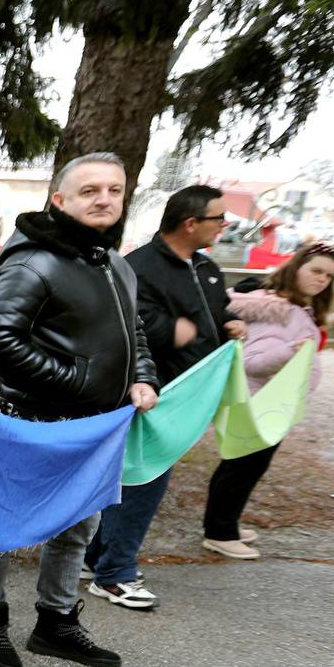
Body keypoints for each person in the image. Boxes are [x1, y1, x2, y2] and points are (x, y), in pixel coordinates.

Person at [0, 152, 160, 667]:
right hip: (28, 419)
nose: (104, 199)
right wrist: (78, 381)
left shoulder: (115, 264)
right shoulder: (34, 260)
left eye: (114, 190)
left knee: (77, 528)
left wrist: (143, 376)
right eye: (89, 190)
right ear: (60, 200)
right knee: (2, 525)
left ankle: (55, 622)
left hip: (94, 428)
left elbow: (133, 333)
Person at [85, 185, 246, 608]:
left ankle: (94, 556)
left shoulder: (208, 267)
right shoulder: (137, 266)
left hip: (189, 394)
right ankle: (114, 574)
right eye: (219, 218)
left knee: (136, 475)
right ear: (191, 223)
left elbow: (215, 310)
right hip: (147, 392)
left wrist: (229, 324)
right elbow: (126, 324)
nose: (224, 225)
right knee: (142, 479)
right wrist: (177, 331)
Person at [203, 244, 334, 559]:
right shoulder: (277, 309)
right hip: (258, 402)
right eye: (316, 271)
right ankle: (218, 532)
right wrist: (292, 350)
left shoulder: (296, 307)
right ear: (295, 268)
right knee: (241, 468)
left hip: (272, 401)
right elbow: (253, 361)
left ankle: (227, 524)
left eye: (329, 275)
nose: (322, 280)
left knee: (247, 466)